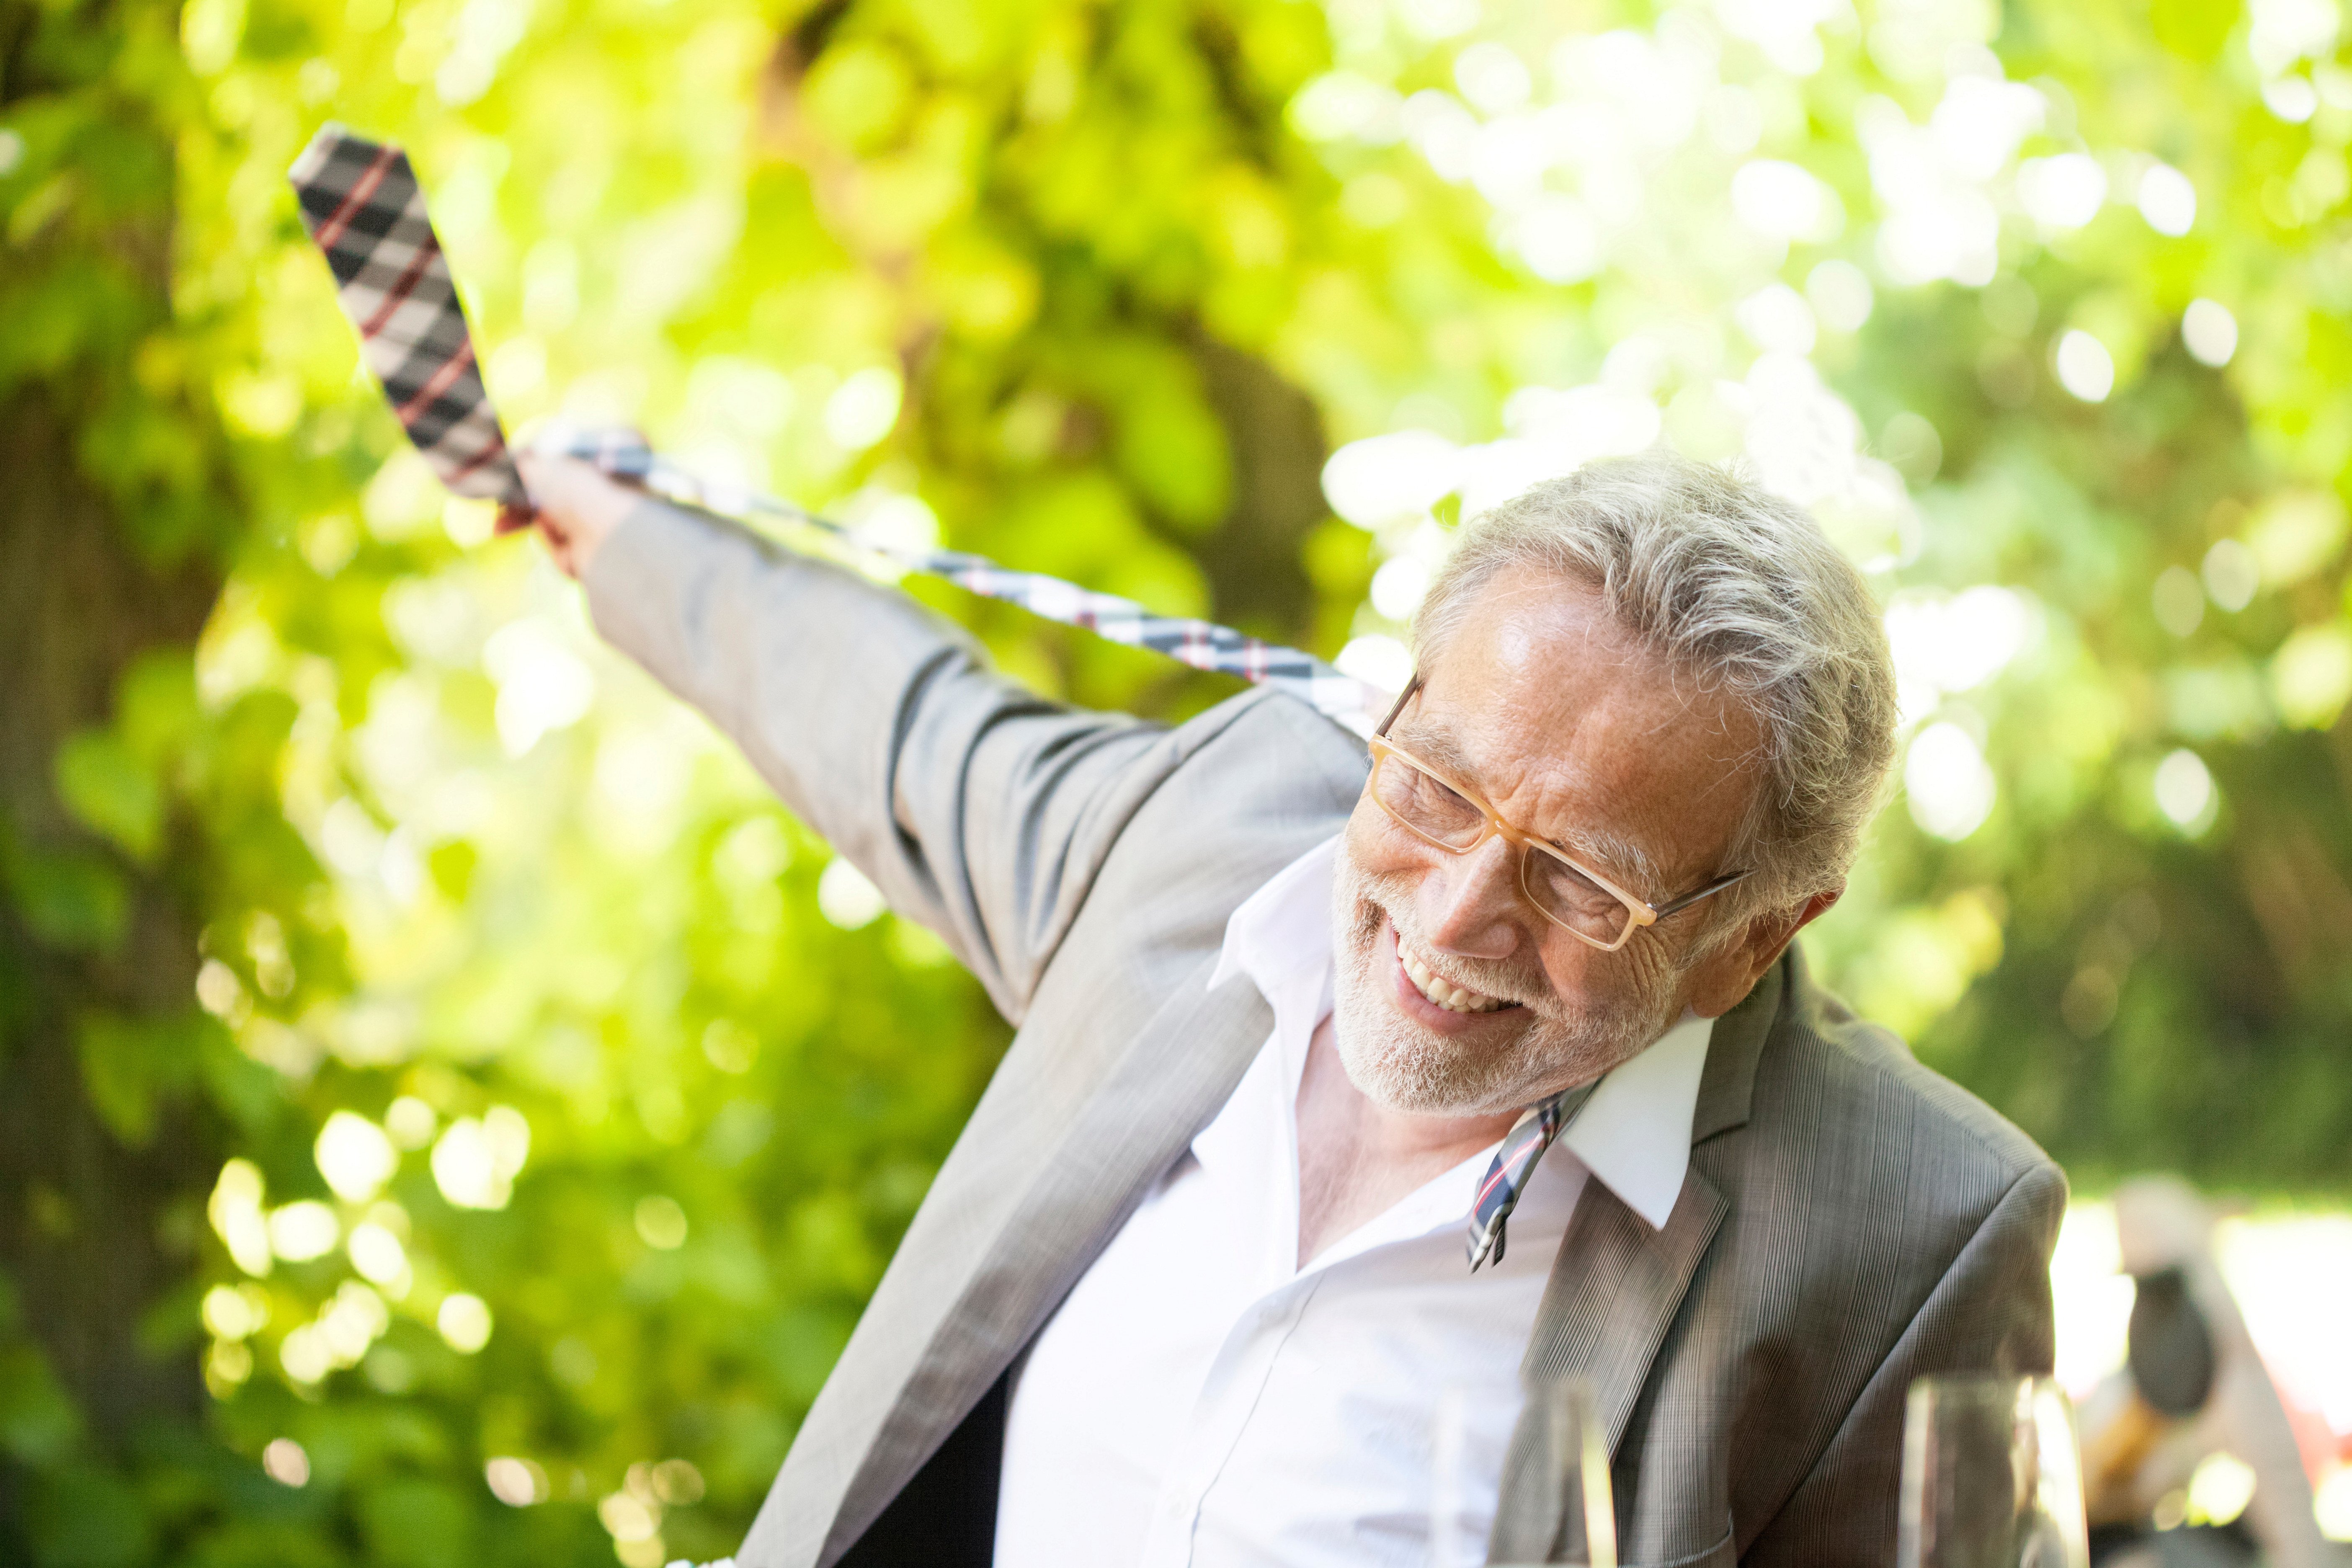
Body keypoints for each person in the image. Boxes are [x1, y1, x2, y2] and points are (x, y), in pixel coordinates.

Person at [518, 444, 2066, 1568]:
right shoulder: (1205, 842)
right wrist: (615, 528)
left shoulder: (1912, 1240)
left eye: (1586, 882)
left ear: (1756, 936)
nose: (1456, 914)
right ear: (1387, 710)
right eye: (1439, 785)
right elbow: (903, 729)